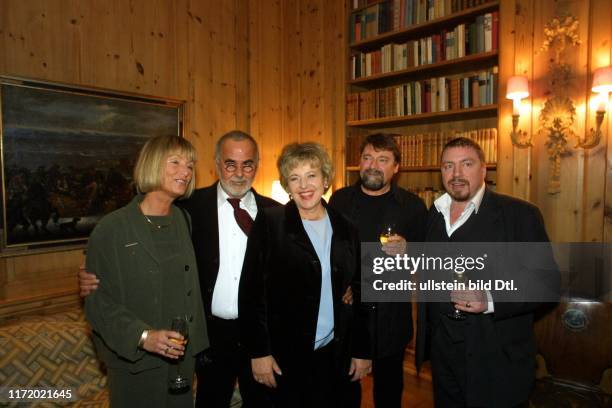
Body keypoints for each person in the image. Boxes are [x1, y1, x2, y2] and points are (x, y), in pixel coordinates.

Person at [80, 130, 277, 408]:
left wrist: (349, 286)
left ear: (257, 165)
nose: (239, 172)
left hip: (257, 336)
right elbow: (108, 282)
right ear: (218, 164)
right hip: (207, 339)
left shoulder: (275, 213)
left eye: (248, 164)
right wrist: (88, 274)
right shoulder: (191, 208)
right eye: (231, 163)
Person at [415, 137, 556, 407]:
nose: (456, 174)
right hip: (443, 355)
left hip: (496, 359)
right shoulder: (434, 213)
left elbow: (547, 283)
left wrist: (489, 299)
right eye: (448, 166)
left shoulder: (520, 215)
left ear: (484, 170)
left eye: (466, 164)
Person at [239, 142, 372, 407]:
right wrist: (259, 353)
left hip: (335, 355)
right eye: (294, 178)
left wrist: (362, 351)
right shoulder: (270, 223)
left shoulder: (347, 227)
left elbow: (360, 290)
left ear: (325, 179)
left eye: (311, 175)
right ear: (287, 186)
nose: (304, 185)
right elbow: (251, 293)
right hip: (285, 357)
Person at [84, 135, 208, 407]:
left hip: (181, 362)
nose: (185, 172)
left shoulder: (183, 219)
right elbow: (97, 301)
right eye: (175, 162)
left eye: (190, 165)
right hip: (136, 365)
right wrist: (143, 337)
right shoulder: (112, 228)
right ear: (152, 165)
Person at [329, 133, 427, 408]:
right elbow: (327, 253)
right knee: (345, 393)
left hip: (390, 317)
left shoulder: (413, 207)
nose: (373, 165)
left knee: (388, 393)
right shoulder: (339, 201)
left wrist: (409, 249)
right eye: (367, 157)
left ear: (396, 167)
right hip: (348, 314)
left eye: (382, 159)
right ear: (359, 162)